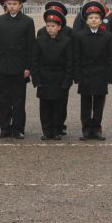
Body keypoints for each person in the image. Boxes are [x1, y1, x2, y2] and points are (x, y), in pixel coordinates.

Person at [0, 0, 35, 139]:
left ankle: (18, 128)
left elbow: (31, 46)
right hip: (3, 67)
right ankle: (5, 128)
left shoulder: (28, 22)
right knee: (4, 99)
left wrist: (29, 67)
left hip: (20, 67)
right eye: (9, 3)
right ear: (6, 4)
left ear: (21, 5)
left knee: (18, 100)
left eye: (15, 3)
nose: (12, 6)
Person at [73, 1, 112, 141]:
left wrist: (109, 77)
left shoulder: (107, 36)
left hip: (100, 74)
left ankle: (97, 129)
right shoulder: (79, 36)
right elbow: (76, 57)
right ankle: (86, 129)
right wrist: (77, 76)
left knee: (98, 103)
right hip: (85, 74)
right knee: (85, 103)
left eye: (96, 18)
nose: (94, 20)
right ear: (86, 20)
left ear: (101, 20)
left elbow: (111, 59)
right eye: (91, 18)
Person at [31, 8, 73, 140]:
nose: (50, 29)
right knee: (45, 106)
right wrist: (36, 79)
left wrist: (67, 80)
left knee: (58, 106)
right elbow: (34, 61)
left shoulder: (66, 41)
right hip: (44, 78)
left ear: (59, 27)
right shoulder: (40, 40)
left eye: (53, 26)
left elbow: (70, 62)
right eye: (48, 26)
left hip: (59, 78)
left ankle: (56, 130)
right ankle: (46, 130)